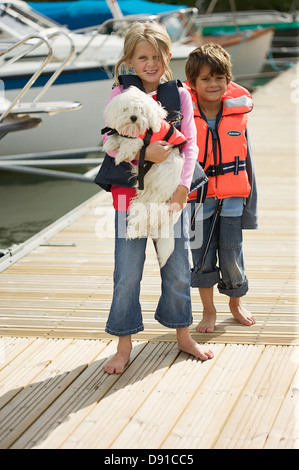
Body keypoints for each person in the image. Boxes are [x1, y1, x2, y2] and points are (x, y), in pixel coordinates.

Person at [95, 22, 214, 374]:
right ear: (130, 60)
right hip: (127, 201)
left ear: (167, 56)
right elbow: (107, 141)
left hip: (171, 198)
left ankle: (183, 334)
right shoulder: (120, 95)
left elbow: (190, 144)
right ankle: (123, 343)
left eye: (156, 56)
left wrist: (182, 189)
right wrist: (148, 153)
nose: (150, 63)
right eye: (142, 57)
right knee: (127, 274)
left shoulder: (181, 95)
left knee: (178, 269)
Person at [184, 43, 258, 333]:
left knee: (231, 254)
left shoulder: (237, 113)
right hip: (196, 202)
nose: (213, 84)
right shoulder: (184, 116)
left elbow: (248, 160)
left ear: (228, 80)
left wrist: (251, 206)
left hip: (231, 200)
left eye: (219, 77)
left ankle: (236, 303)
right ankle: (208, 309)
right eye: (205, 78)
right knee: (200, 257)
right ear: (192, 83)